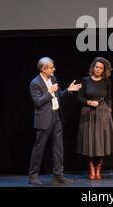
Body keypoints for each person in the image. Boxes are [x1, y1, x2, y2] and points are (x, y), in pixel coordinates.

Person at [28, 57, 82, 185]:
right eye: (51, 67)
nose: (54, 69)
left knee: (58, 148)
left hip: (56, 117)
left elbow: (59, 96)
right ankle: (33, 176)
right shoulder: (35, 83)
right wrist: (49, 91)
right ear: (43, 68)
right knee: (39, 148)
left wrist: (68, 91)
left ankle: (58, 175)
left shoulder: (53, 79)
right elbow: (38, 102)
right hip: (44, 120)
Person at [77, 57, 113, 180]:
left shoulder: (107, 81)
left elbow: (109, 97)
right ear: (93, 67)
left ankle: (99, 166)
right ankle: (91, 166)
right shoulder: (85, 80)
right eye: (96, 67)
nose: (98, 70)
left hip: (102, 113)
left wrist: (109, 109)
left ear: (103, 70)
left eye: (101, 68)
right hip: (89, 113)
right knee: (90, 140)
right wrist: (89, 102)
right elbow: (79, 97)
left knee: (101, 141)